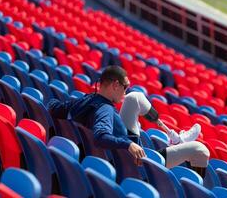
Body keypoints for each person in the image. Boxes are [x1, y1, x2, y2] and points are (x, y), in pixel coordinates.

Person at [47, 65, 210, 177]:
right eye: (125, 87)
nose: (126, 91)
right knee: (201, 150)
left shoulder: (87, 100)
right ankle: (197, 191)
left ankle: (175, 138)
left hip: (122, 149)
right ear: (115, 85)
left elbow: (53, 106)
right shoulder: (105, 110)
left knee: (135, 97)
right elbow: (100, 136)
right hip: (139, 163)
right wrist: (129, 145)